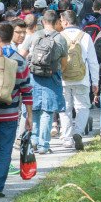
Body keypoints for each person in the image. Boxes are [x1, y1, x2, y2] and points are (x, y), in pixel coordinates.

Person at [0, 23, 33, 199]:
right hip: (9, 113)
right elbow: (26, 90)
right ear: (12, 37)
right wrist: (29, 115)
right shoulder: (20, 60)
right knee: (5, 149)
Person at [26, 10, 68, 154]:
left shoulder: (35, 36)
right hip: (52, 76)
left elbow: (24, 53)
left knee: (35, 109)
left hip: (34, 76)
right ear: (57, 22)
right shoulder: (60, 38)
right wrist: (59, 71)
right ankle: (44, 145)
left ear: (43, 21)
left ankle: (34, 140)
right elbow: (64, 61)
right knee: (47, 111)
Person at [60, 10, 100, 150]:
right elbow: (93, 61)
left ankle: (66, 139)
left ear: (66, 22)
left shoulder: (59, 36)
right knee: (82, 107)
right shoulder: (86, 36)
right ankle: (78, 132)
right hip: (82, 78)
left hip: (63, 79)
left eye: (61, 21)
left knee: (65, 108)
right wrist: (95, 82)